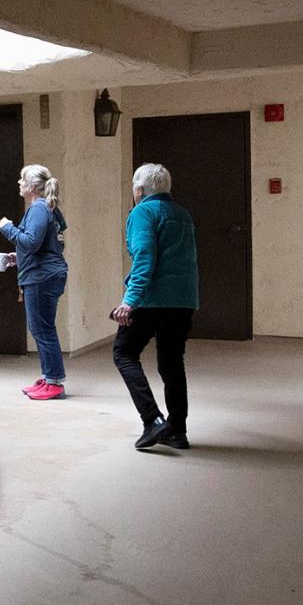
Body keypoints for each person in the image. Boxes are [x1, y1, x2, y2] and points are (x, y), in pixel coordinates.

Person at [109, 162, 201, 451]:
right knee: (172, 363)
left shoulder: (142, 212)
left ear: (139, 190)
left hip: (152, 300)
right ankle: (178, 431)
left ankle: (152, 420)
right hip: (184, 300)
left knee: (124, 353)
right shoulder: (182, 214)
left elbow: (145, 258)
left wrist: (129, 301)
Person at [0, 163, 70, 399]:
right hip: (45, 273)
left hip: (42, 277)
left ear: (32, 187)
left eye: (22, 180)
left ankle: (55, 383)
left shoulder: (39, 208)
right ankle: (49, 376)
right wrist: (16, 258)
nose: (19, 183)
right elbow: (45, 246)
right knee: (41, 328)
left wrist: (7, 228)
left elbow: (31, 242)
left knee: (42, 329)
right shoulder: (46, 207)